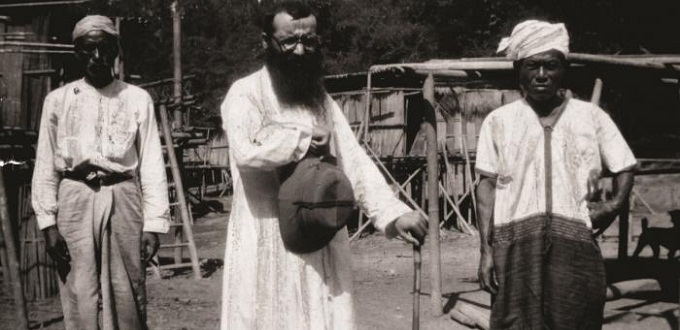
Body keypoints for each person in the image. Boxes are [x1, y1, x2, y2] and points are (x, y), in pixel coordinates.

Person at [219, 2, 428, 329]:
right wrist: (300, 140)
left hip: (319, 240)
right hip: (264, 238)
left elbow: (352, 158)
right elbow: (246, 152)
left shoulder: (319, 98)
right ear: (266, 42)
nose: (300, 51)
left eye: (309, 41)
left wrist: (391, 213)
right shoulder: (245, 94)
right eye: (289, 41)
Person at [475, 20, 636, 330]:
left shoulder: (590, 116)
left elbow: (625, 165)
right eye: (532, 66)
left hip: (575, 247)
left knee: (577, 320)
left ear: (564, 68)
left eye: (551, 65)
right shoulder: (499, 121)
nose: (541, 75)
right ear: (518, 71)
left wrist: (613, 205)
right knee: (514, 322)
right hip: (515, 248)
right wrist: (485, 251)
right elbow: (487, 187)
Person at [32, 15, 170, 330]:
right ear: (76, 52)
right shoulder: (58, 101)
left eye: (104, 48)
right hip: (75, 197)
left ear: (116, 50)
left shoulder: (137, 99)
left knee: (127, 291)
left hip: (123, 196)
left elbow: (150, 163)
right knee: (79, 290)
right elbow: (45, 163)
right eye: (88, 49)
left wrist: (154, 224)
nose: (97, 57)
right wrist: (48, 224)